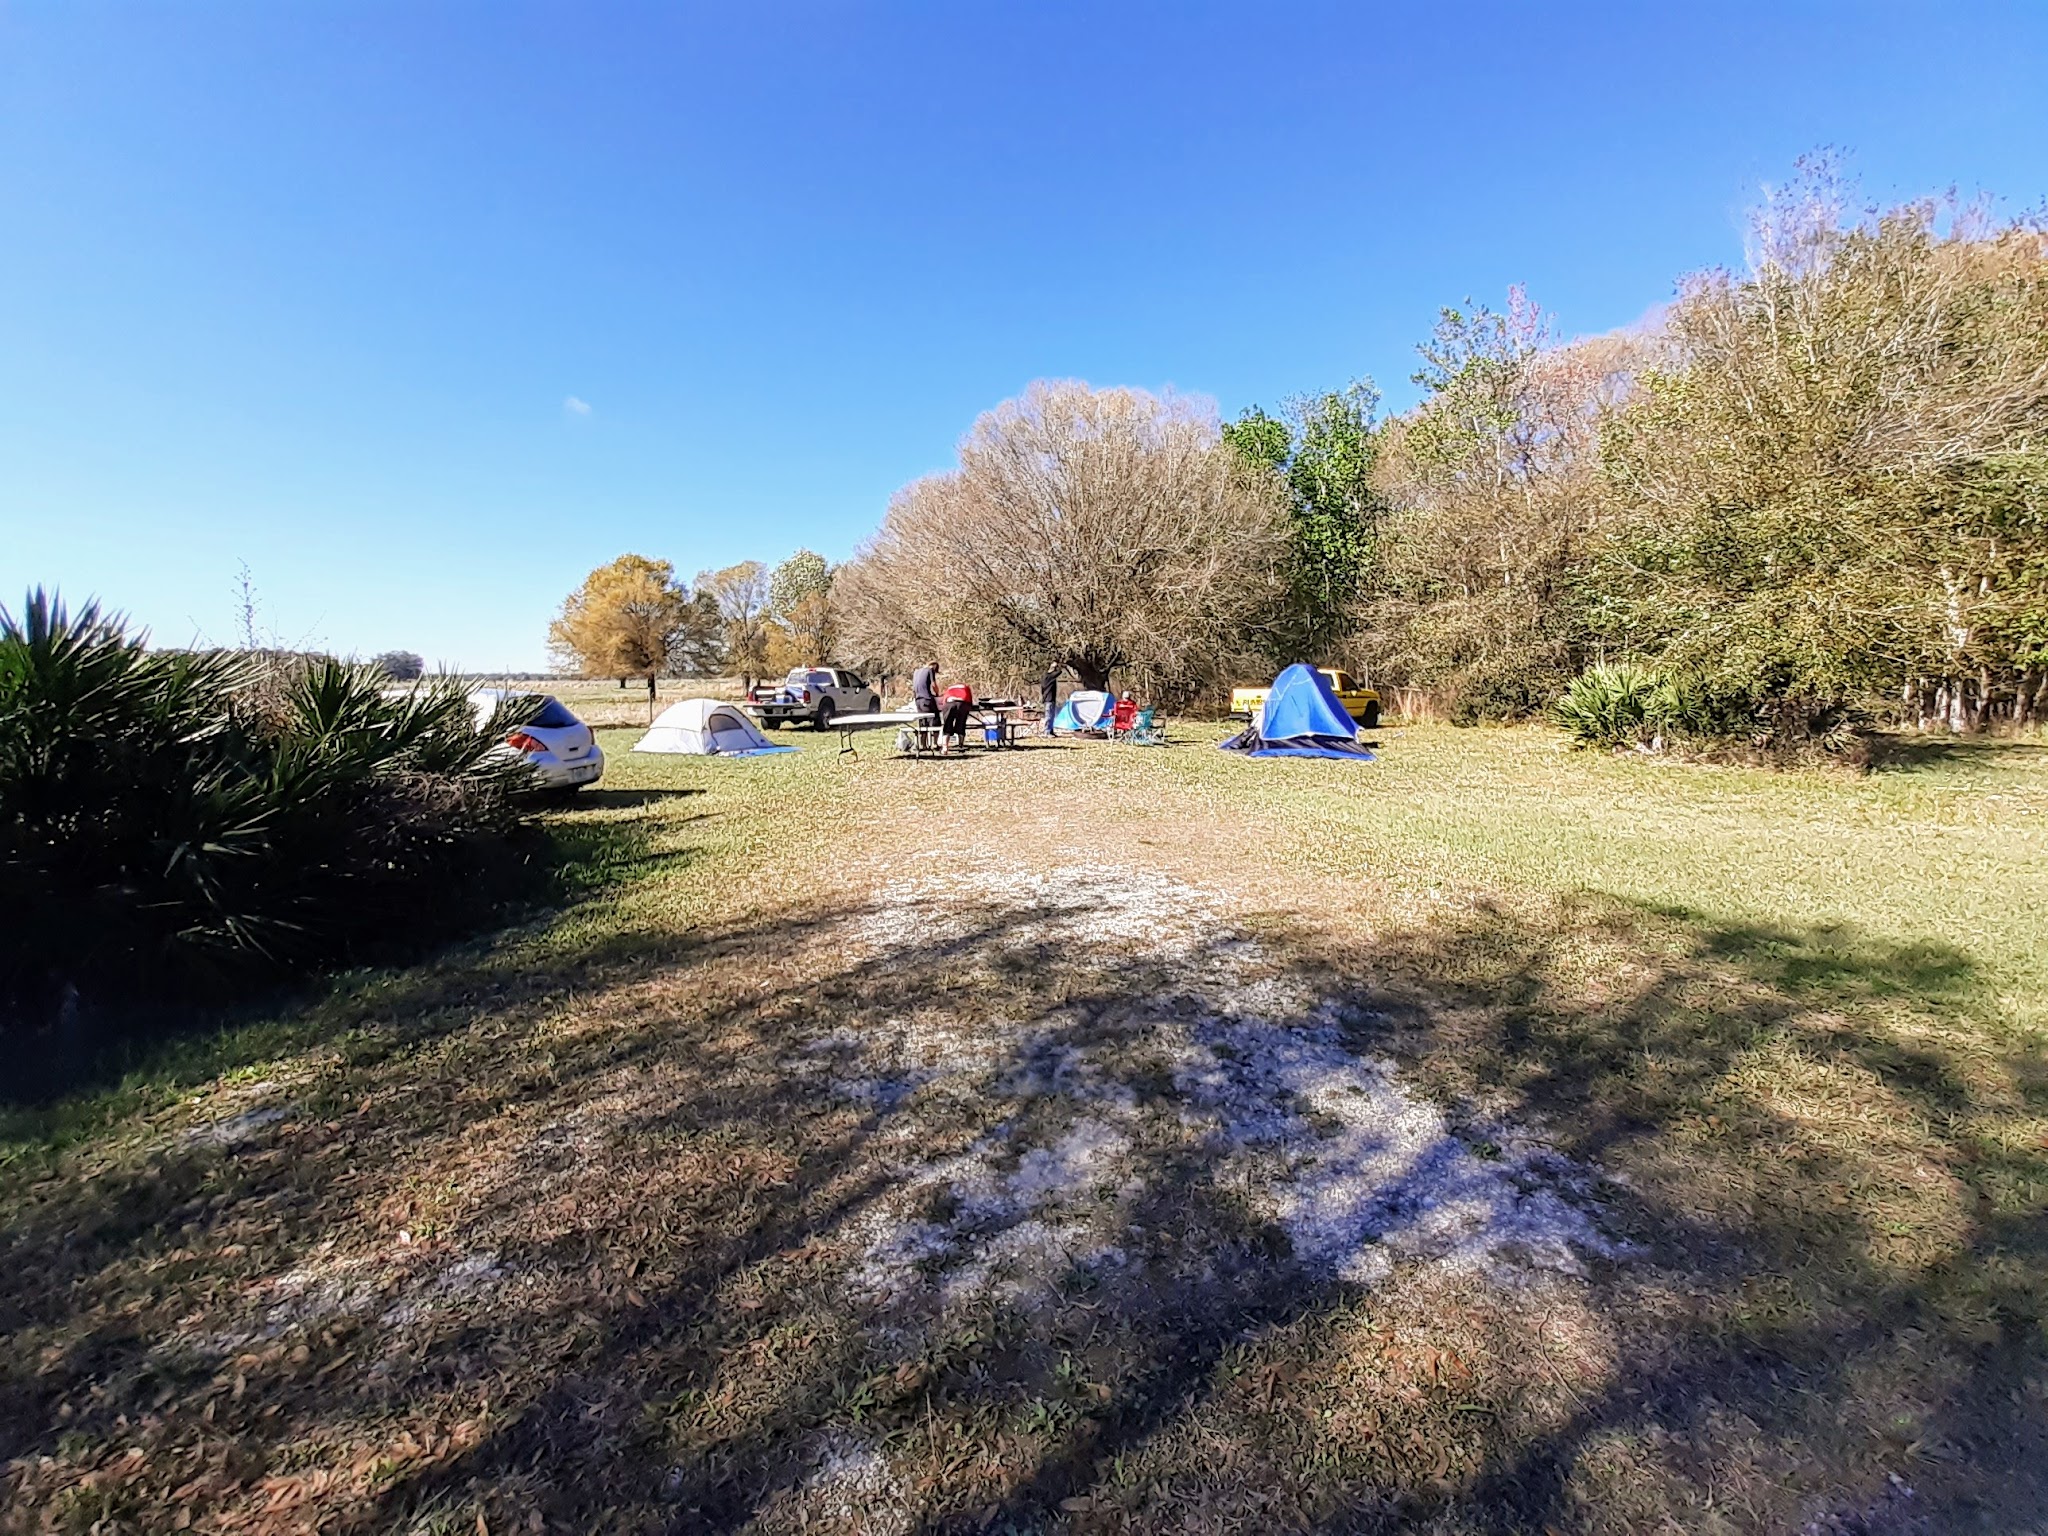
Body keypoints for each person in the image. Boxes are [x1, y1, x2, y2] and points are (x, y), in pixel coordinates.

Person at [939, 680, 974, 754]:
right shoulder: (966, 687)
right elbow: (970, 700)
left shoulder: (950, 688)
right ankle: (960, 745)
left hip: (949, 703)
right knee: (961, 723)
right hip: (962, 703)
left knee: (947, 724)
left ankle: (945, 747)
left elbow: (944, 700)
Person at [1040, 664, 1061, 736]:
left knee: (1051, 716)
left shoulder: (1044, 677)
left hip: (1047, 698)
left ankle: (1050, 730)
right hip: (1049, 699)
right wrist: (1058, 665)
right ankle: (1047, 731)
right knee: (1049, 716)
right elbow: (1059, 672)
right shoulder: (1050, 676)